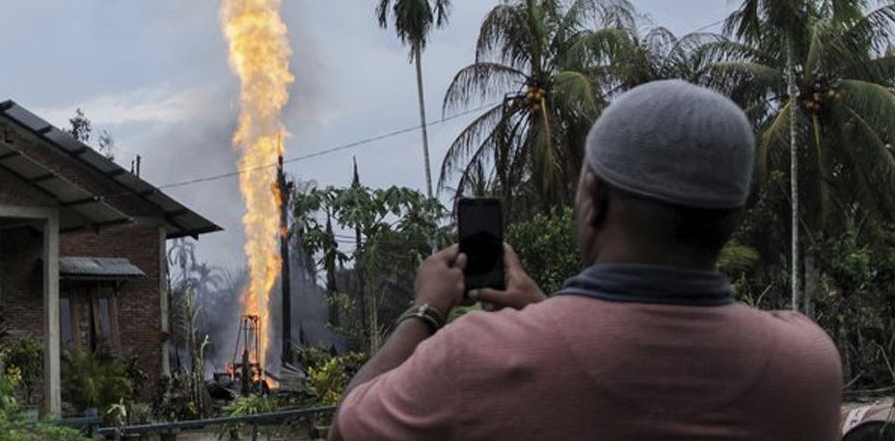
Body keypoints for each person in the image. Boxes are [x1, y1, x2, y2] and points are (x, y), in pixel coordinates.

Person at [330, 79, 842, 440]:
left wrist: (425, 310)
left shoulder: (479, 357)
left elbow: (348, 427)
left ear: (593, 200)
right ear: (733, 217)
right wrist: (546, 312)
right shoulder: (807, 361)